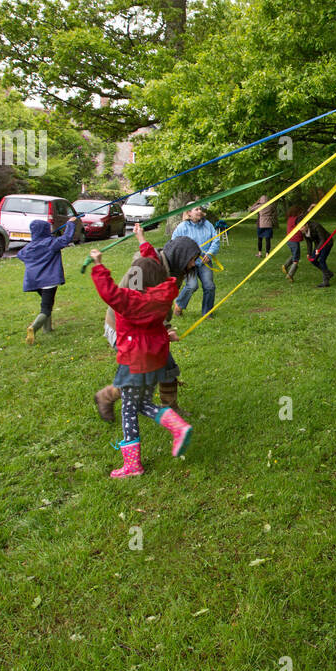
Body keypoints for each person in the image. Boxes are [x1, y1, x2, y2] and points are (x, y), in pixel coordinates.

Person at [89, 243, 194, 478]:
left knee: (129, 408)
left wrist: (98, 264)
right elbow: (155, 270)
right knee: (140, 402)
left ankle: (134, 464)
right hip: (155, 359)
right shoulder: (166, 292)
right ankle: (177, 426)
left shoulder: (128, 301)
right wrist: (145, 247)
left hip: (134, 361)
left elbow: (108, 291)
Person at [94, 225, 185, 422]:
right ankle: (105, 397)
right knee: (134, 382)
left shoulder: (139, 288)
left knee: (161, 368)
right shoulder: (155, 291)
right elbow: (150, 272)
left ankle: (169, 407)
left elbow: (150, 261)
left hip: (149, 339)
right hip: (130, 342)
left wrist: (141, 238)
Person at [17, 216, 80, 345]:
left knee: (46, 303)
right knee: (46, 308)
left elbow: (20, 255)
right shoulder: (51, 244)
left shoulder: (28, 248)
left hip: (34, 282)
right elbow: (66, 238)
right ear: (45, 230)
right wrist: (70, 224)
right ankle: (33, 328)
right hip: (49, 281)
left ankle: (48, 329)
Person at [170, 205, 221, 317]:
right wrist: (185, 257)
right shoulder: (182, 227)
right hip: (189, 264)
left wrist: (210, 253)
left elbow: (215, 240)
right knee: (192, 285)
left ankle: (207, 313)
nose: (199, 211)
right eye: (196, 209)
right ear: (189, 213)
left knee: (209, 286)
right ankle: (179, 304)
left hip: (204, 262)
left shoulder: (208, 225)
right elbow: (174, 243)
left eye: (200, 209)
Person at [304, 217, 334, 287]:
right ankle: (328, 273)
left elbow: (322, 239)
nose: (300, 229)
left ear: (306, 224)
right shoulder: (303, 231)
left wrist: (318, 249)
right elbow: (309, 242)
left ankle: (326, 282)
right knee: (313, 260)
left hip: (327, 242)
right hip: (319, 244)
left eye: (301, 227)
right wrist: (309, 253)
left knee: (322, 260)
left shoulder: (316, 226)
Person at [282, 204, 304, 282]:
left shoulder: (290, 218)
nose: (302, 213)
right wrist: (310, 208)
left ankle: (285, 266)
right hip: (294, 241)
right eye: (300, 212)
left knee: (294, 255)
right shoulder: (296, 219)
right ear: (297, 212)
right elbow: (303, 216)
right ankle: (290, 274)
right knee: (296, 258)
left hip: (290, 241)